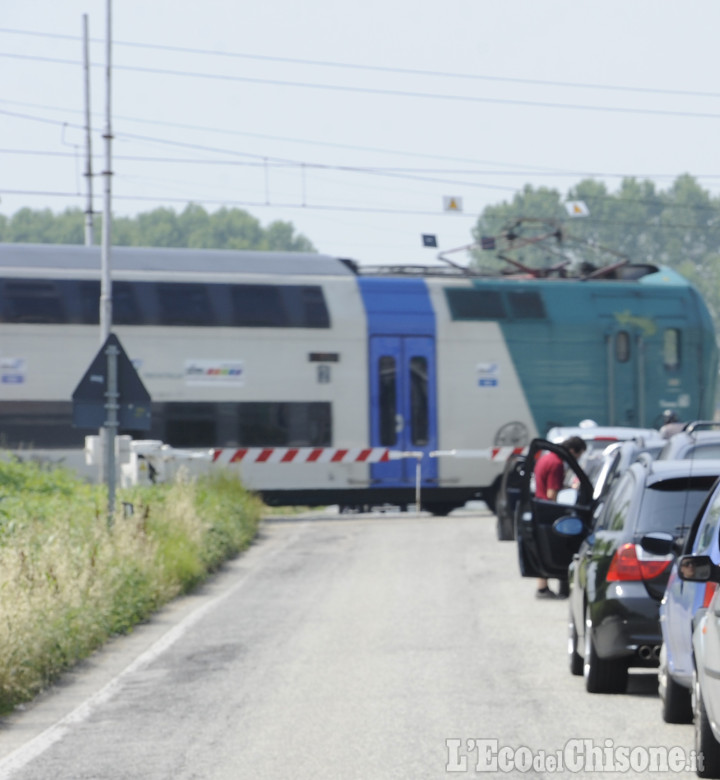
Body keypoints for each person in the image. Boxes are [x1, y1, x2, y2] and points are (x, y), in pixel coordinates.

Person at [534, 435, 587, 600]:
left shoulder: (547, 457)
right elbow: (551, 494)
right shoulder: (556, 463)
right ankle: (560, 587)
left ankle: (542, 588)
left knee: (542, 549)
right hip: (549, 509)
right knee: (558, 548)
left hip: (538, 505)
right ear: (572, 451)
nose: (577, 459)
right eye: (577, 455)